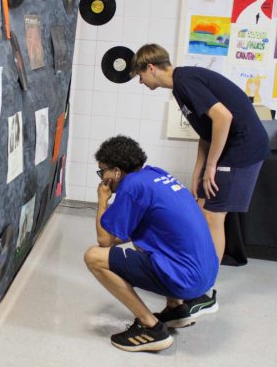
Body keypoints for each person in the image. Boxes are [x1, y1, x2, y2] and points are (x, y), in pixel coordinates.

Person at [130, 44, 269, 318]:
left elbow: (223, 118)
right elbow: (206, 131)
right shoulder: (179, 88)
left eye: (140, 75)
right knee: (201, 209)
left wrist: (212, 164)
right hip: (230, 147)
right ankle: (195, 277)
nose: (140, 82)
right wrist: (198, 169)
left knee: (212, 217)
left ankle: (204, 292)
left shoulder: (185, 80)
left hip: (243, 147)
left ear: (151, 68)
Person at [84, 136, 218, 352]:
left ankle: (150, 327)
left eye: (103, 172)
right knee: (142, 239)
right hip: (206, 274)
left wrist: (102, 200)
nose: (102, 178)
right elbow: (130, 232)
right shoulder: (156, 174)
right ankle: (176, 310)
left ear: (117, 171)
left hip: (187, 279)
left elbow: (104, 241)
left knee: (93, 257)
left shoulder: (131, 186)